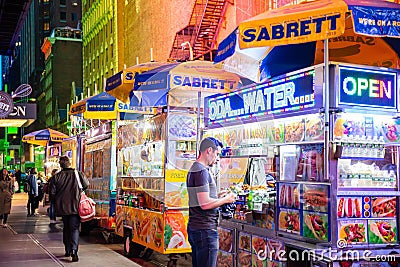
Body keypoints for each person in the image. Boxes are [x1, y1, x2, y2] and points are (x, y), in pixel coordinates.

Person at [186, 137, 237, 267]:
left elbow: (200, 198)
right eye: (217, 153)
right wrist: (226, 199)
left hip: (197, 228)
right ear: (209, 150)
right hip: (205, 231)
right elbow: (204, 204)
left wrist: (219, 196)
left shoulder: (194, 169)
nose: (218, 158)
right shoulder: (201, 171)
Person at [49, 156, 89, 262]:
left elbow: (52, 193)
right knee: (74, 229)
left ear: (60, 165)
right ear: (69, 163)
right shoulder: (78, 174)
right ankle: (74, 251)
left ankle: (67, 249)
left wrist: (57, 201)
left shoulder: (56, 177)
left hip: (62, 207)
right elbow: (86, 185)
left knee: (66, 228)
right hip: (75, 206)